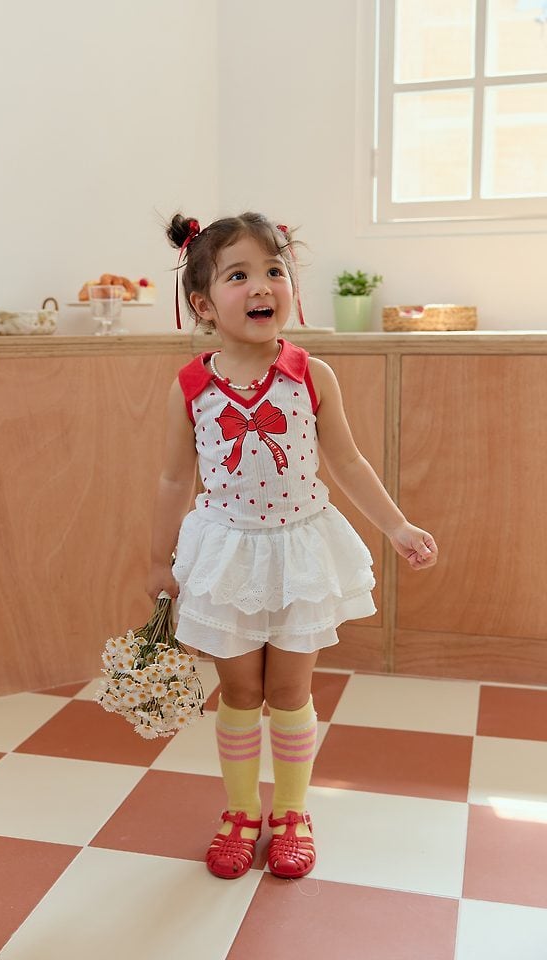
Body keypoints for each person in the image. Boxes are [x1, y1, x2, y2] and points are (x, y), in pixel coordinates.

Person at [147, 212, 438, 881]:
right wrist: (159, 561)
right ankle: (241, 811)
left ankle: (293, 812)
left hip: (300, 553)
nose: (262, 285)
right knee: (238, 691)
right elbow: (173, 479)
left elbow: (349, 462)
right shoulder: (190, 387)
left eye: (274, 270)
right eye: (239, 275)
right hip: (226, 555)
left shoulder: (311, 375)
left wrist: (397, 527)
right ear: (203, 304)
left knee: (288, 689)